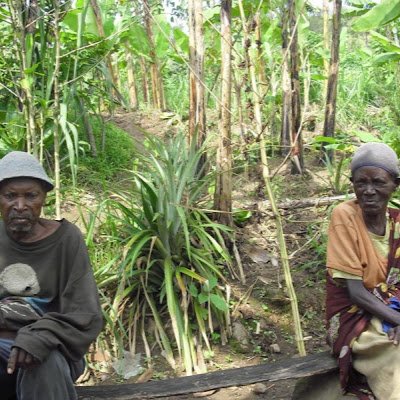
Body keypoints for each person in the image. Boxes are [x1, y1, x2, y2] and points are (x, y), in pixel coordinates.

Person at [0, 151, 103, 400]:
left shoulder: (67, 240)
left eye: (31, 196)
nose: (20, 205)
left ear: (43, 197)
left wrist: (38, 337)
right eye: (10, 196)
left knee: (41, 360)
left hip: (56, 348)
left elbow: (85, 314)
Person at [326, 142, 400, 399]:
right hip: (357, 316)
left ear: (395, 184)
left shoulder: (398, 223)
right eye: (361, 183)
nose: (369, 191)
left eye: (378, 182)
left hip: (392, 307)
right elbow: (355, 292)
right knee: (394, 354)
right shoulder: (345, 216)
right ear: (353, 184)